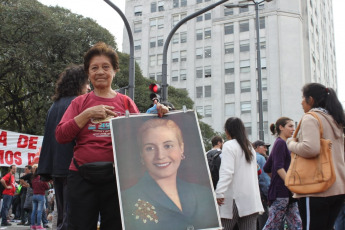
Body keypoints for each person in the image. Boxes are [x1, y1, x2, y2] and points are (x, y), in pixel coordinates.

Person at [55, 42, 168, 230]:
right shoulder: (79, 102)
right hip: (80, 177)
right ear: (88, 73)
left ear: (115, 70)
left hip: (119, 179)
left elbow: (142, 134)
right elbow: (61, 135)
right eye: (94, 68)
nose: (100, 71)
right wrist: (87, 114)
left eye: (106, 67)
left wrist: (160, 113)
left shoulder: (125, 102)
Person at [122, 118, 219, 230]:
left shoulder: (204, 194)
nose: (160, 156)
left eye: (168, 146)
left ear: (181, 148)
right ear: (141, 155)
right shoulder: (127, 199)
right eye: (150, 148)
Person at [37, 64, 90, 230]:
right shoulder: (77, 104)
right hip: (73, 167)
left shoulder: (54, 106)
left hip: (57, 168)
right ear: (79, 83)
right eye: (87, 83)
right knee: (73, 217)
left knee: (63, 215)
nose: (89, 87)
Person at [287, 83, 345, 230]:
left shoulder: (311, 118)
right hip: (337, 187)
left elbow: (310, 148)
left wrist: (290, 143)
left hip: (315, 188)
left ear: (310, 100)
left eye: (302, 98)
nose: (301, 102)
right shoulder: (335, 119)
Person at [216, 117, 263, 230]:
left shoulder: (229, 145)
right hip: (251, 199)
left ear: (227, 131)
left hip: (233, 199)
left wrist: (219, 192)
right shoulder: (249, 146)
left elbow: (227, 172)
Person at [262, 117, 302, 230]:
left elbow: (267, 167)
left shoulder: (281, 143)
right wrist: (290, 185)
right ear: (281, 127)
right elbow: (278, 168)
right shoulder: (280, 143)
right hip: (282, 193)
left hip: (285, 193)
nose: (293, 129)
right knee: (273, 225)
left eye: (293, 126)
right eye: (290, 126)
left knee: (296, 224)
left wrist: (277, 179)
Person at [252, 140, 271, 230]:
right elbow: (264, 179)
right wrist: (269, 195)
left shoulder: (250, 157)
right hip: (261, 194)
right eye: (264, 147)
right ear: (257, 147)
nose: (266, 149)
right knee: (264, 220)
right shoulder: (260, 158)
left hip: (251, 193)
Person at [31, 164, 50, 230]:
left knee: (33, 211)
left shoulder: (33, 179)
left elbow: (32, 187)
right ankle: (39, 226)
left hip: (34, 195)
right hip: (41, 196)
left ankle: (32, 226)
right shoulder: (42, 178)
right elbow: (47, 187)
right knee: (39, 211)